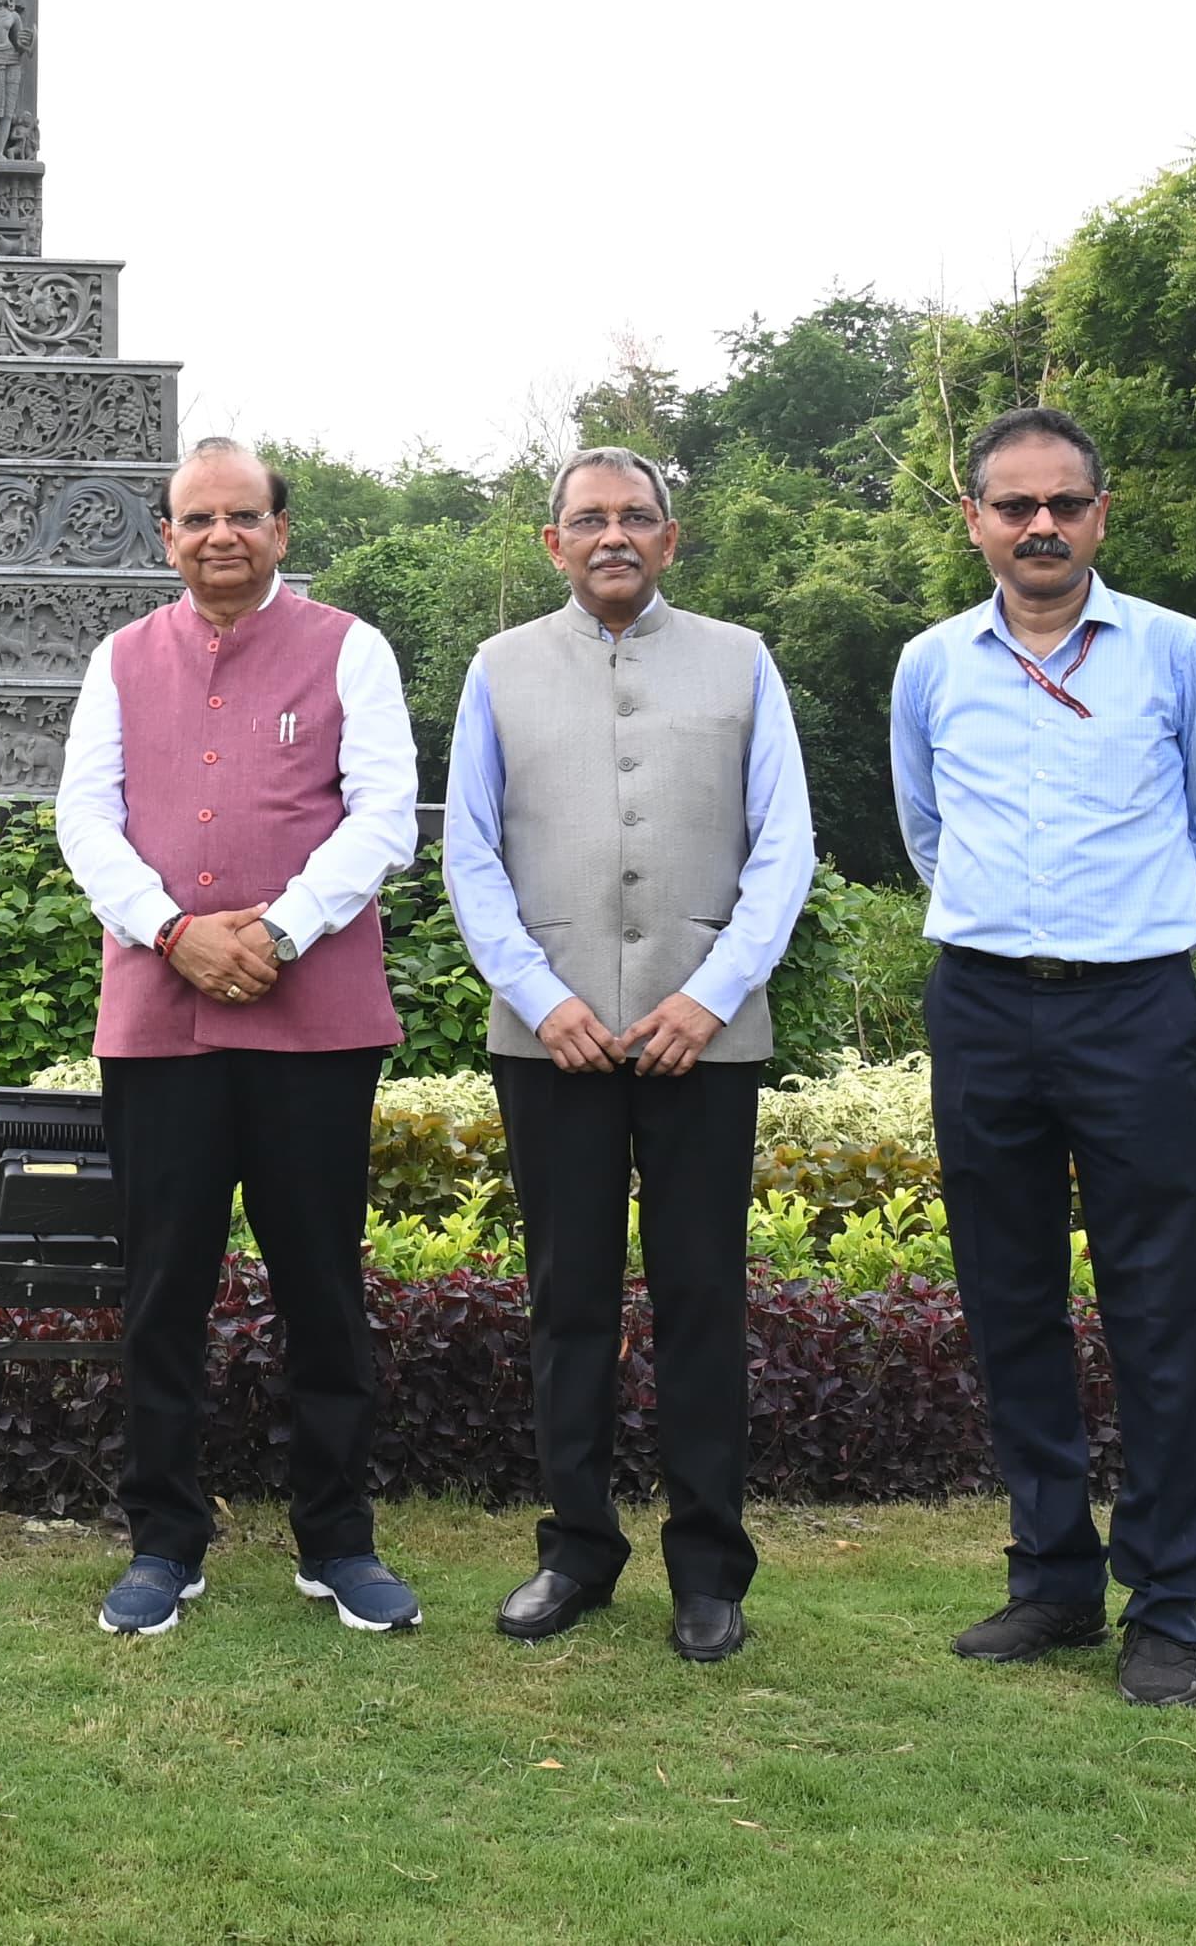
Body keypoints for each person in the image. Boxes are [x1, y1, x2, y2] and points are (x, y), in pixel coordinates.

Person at [893, 405, 1196, 1710]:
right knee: (1009, 1304)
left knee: (1156, 1311)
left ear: (1102, 514)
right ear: (978, 521)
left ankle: (1167, 1608)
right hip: (985, 1009)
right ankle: (1054, 1578)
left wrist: (1136, 938)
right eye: (1014, 505)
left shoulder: (1177, 653)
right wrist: (1017, 939)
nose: (1039, 526)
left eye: (1064, 504)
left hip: (1133, 1012)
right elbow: (925, 829)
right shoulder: (931, 665)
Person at [443, 448, 816, 1664]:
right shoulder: (497, 669)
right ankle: (574, 1550)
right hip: (548, 1037)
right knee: (568, 1304)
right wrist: (538, 995)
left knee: (702, 1300)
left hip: (701, 1038)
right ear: (551, 542)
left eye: (634, 517)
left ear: (671, 536)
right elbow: (467, 852)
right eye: (587, 519)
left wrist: (707, 998)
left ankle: (708, 1570)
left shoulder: (742, 660)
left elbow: (783, 850)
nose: (612, 535)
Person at [54, 437, 423, 1640]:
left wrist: (279, 927)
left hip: (312, 1022)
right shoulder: (119, 660)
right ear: (164, 535)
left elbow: (383, 813)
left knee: (320, 1288)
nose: (220, 535)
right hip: (158, 1022)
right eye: (195, 518)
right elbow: (82, 819)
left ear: (279, 527)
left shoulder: (348, 649)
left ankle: (337, 1541)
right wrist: (172, 932)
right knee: (162, 1291)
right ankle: (163, 1541)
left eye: (243, 516)